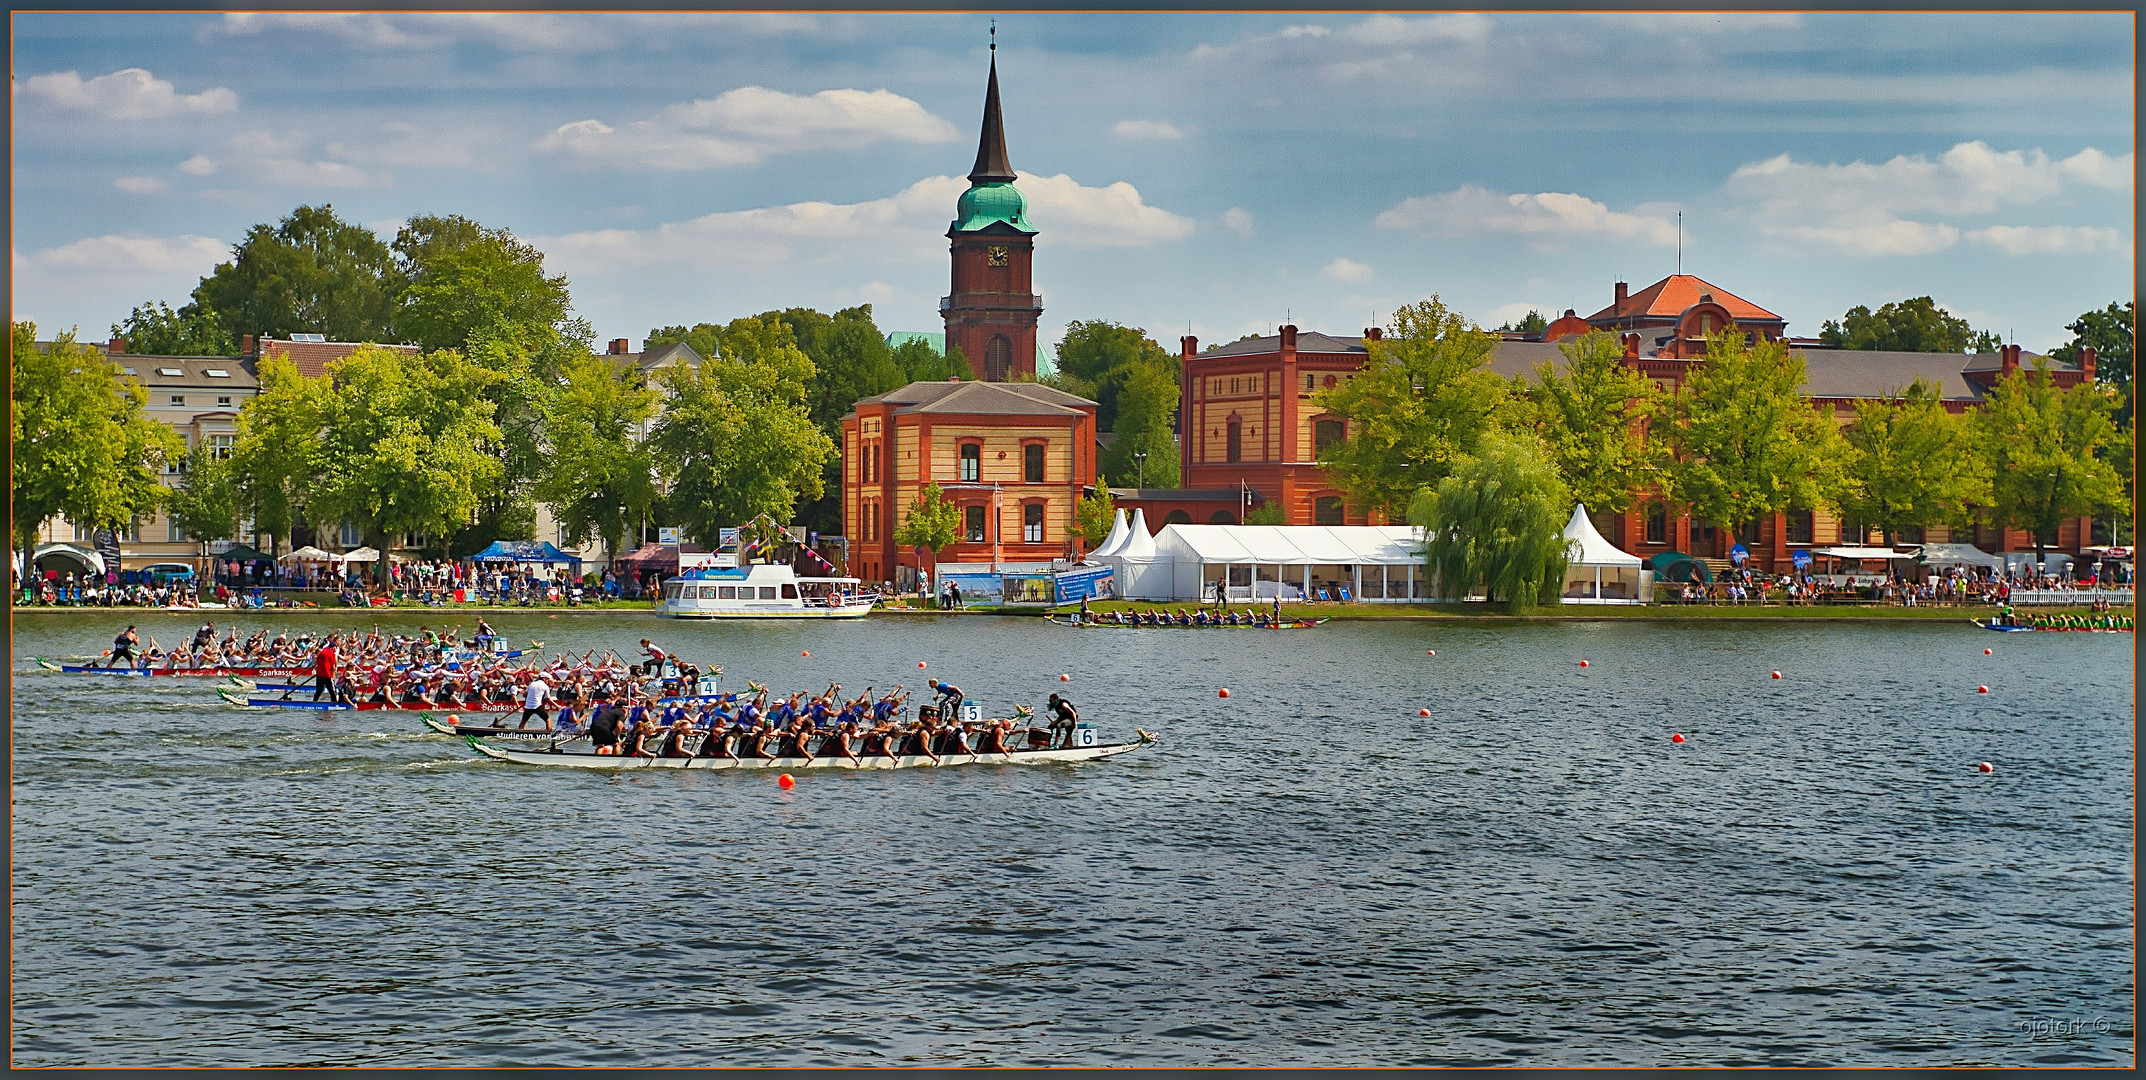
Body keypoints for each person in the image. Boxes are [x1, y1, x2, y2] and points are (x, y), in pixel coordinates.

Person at [311, 635, 341, 703]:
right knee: (332, 691)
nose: (336, 649)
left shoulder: (322, 652)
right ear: (333, 647)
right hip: (327, 675)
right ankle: (334, 703)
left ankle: (314, 702)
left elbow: (316, 663)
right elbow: (333, 667)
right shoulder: (331, 653)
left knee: (319, 691)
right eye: (336, 647)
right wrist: (333, 677)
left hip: (319, 674)